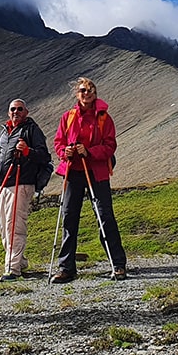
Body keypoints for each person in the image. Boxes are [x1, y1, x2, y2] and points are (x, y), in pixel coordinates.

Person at [51, 77, 127, 283]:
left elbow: (110, 146)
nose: (87, 93)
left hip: (96, 171)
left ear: (95, 94)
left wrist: (90, 152)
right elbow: (58, 141)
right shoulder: (67, 117)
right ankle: (66, 267)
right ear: (77, 94)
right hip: (73, 171)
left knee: (105, 216)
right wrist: (64, 151)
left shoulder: (104, 118)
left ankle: (117, 264)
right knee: (69, 217)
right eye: (83, 90)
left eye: (91, 90)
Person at [0, 99, 51, 281]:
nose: (16, 112)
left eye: (20, 109)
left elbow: (44, 156)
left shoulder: (32, 130)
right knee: (3, 225)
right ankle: (20, 261)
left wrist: (28, 151)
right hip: (2, 183)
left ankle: (12, 269)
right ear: (8, 112)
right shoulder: (4, 132)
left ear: (26, 112)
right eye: (13, 109)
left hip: (22, 182)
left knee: (14, 226)